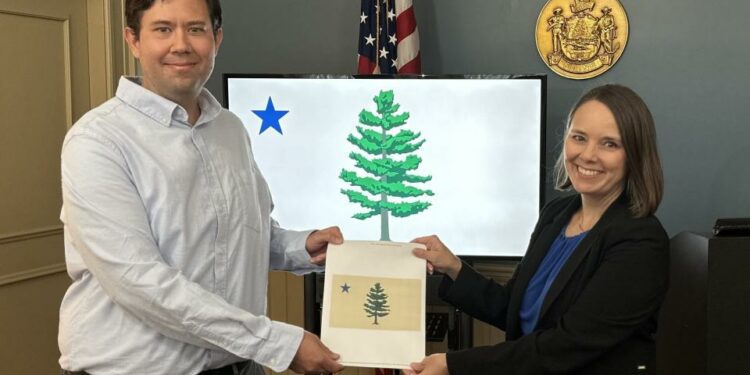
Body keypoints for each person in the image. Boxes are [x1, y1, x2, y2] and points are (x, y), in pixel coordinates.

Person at [57, 0, 344, 374]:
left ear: (217, 38)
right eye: (162, 29)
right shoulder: (98, 141)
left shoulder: (230, 130)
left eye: (195, 29)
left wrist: (301, 248)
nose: (181, 45)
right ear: (133, 40)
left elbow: (239, 233)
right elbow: (139, 280)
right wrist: (278, 344)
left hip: (239, 365)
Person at [408, 84, 668, 375]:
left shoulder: (641, 241)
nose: (588, 155)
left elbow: (567, 345)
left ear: (634, 154)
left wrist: (452, 364)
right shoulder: (556, 214)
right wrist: (453, 267)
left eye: (609, 144)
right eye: (579, 138)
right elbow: (513, 308)